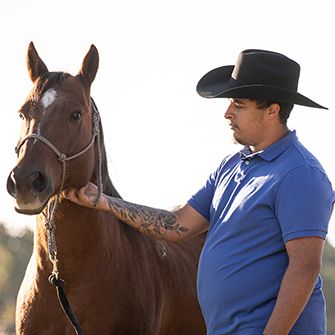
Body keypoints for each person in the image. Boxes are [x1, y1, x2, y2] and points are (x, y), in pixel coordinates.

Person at [62, 49, 334, 335]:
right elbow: (177, 225)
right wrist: (103, 202)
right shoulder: (231, 166)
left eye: (239, 105)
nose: (227, 112)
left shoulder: (300, 174)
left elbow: (304, 268)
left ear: (272, 110)